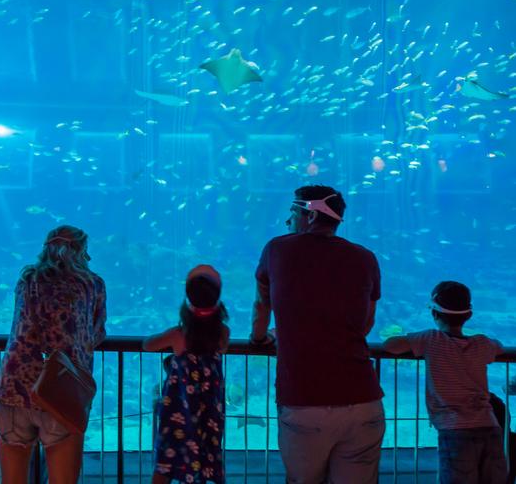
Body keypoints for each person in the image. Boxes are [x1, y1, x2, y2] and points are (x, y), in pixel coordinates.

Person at [250, 184, 385, 484]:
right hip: (363, 399)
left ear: (310, 215)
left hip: (304, 401)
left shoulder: (277, 249)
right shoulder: (365, 258)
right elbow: (365, 323)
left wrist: (260, 338)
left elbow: (262, 305)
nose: (288, 221)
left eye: (293, 213)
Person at [0, 225, 107, 483]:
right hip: (59, 391)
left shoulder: (27, 280)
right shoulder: (91, 284)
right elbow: (96, 334)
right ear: (78, 252)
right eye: (86, 252)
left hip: (12, 389)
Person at [383, 281, 508, 484]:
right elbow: (499, 347)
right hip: (489, 426)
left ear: (434, 314)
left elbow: (390, 346)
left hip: (455, 430)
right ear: (469, 315)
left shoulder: (431, 339)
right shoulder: (482, 343)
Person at [144, 265, 230, 484]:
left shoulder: (178, 335)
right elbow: (222, 349)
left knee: (166, 461)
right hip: (209, 412)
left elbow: (148, 345)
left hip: (177, 411)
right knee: (206, 457)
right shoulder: (222, 333)